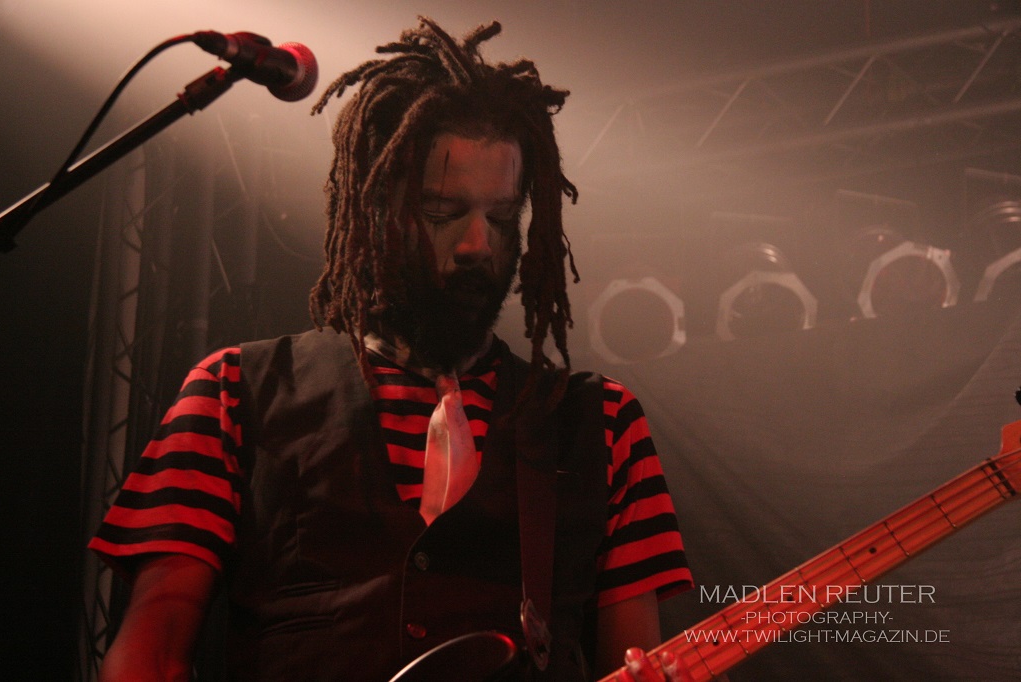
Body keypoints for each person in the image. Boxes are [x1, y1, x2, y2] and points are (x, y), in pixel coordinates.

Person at [90, 18, 693, 681]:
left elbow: (633, 658)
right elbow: (148, 654)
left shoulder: (601, 425)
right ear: (373, 208)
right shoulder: (235, 392)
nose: (477, 244)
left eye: (501, 217)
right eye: (441, 213)